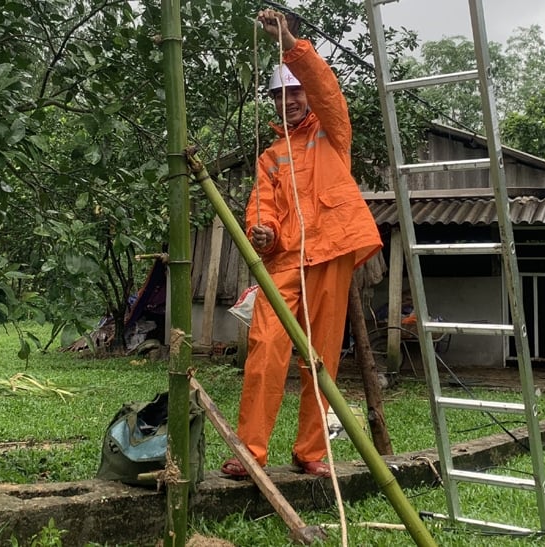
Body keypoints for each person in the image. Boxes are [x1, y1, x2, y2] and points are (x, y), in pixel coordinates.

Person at [220, 9, 383, 478]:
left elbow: (329, 90)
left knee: (323, 357)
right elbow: (261, 207)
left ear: (306, 95)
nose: (288, 100)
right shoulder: (270, 156)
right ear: (272, 101)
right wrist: (263, 230)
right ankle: (251, 451)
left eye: (295, 92)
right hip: (286, 261)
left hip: (331, 253)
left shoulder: (334, 135)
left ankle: (310, 452)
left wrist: (290, 41)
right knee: (266, 346)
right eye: (279, 94)